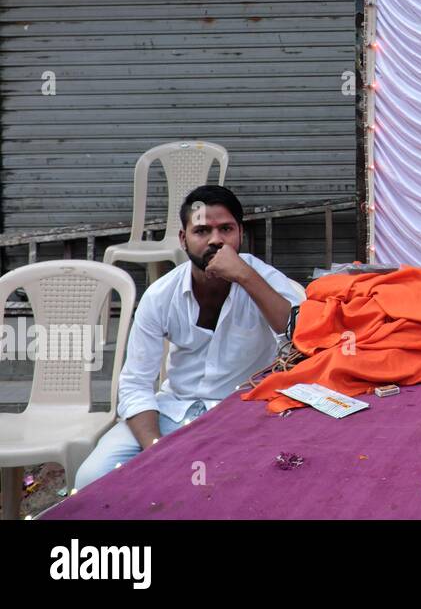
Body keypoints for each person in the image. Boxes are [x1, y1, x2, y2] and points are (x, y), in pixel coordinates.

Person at [74, 185, 304, 489]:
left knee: (227, 486)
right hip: (172, 410)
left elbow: (300, 339)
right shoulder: (160, 295)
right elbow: (136, 384)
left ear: (240, 235)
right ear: (183, 239)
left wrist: (245, 276)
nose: (215, 240)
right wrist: (155, 447)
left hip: (241, 415)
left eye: (226, 229)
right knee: (92, 477)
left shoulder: (266, 279)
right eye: (201, 231)